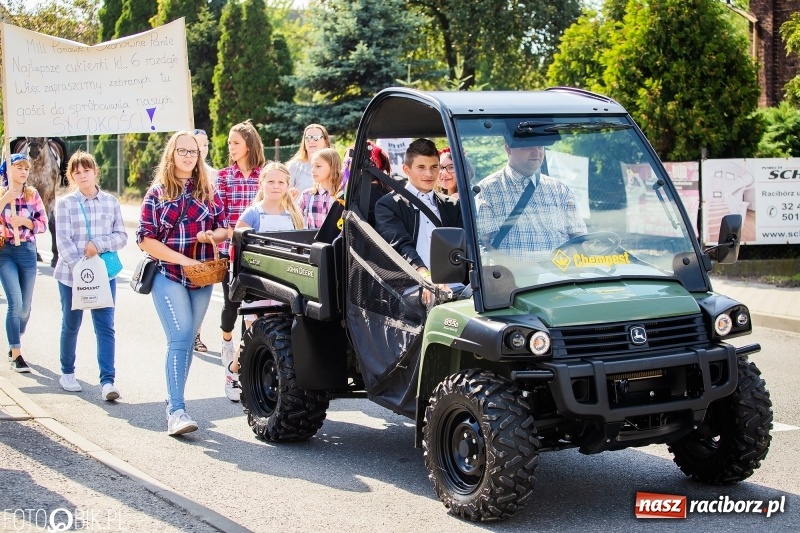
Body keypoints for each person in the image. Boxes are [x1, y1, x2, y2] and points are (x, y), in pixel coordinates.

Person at [136, 131, 228, 436]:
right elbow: (146, 239)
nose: (188, 156)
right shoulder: (158, 193)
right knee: (180, 336)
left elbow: (223, 228)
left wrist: (211, 236)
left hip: (203, 277)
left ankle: (174, 399)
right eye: (182, 151)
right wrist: (185, 261)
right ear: (171, 154)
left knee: (188, 339)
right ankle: (176, 410)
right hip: (169, 274)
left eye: (193, 152)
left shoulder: (207, 190)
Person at [226, 162, 305, 398]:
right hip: (259, 285)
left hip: (284, 284)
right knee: (254, 335)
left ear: (288, 185)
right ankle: (234, 370)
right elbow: (239, 249)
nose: (276, 186)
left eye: (281, 182)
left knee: (279, 335)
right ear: (262, 184)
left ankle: (276, 380)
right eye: (270, 181)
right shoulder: (252, 213)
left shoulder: (294, 215)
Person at [53, 151, 127, 400]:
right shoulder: (65, 204)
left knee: (105, 326)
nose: (82, 175)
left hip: (104, 276)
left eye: (87, 170)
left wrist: (99, 243)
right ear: (71, 176)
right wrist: (82, 269)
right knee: (71, 324)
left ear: (95, 171)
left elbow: (121, 236)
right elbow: (62, 242)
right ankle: (67, 372)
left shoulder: (111, 202)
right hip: (71, 276)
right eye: (77, 172)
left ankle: (108, 381)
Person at [475, 125, 587, 263]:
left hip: (560, 279)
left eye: (540, 146)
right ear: (508, 148)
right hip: (512, 280)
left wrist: (565, 266)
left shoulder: (560, 190)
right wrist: (520, 269)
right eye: (528, 146)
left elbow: (579, 238)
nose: (536, 151)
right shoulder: (487, 190)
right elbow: (482, 245)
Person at [374, 139, 462, 304]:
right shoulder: (389, 204)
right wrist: (424, 276)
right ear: (406, 169)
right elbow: (400, 245)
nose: (429, 174)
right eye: (421, 167)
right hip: (412, 286)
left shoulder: (452, 205)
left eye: (434, 167)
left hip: (457, 286)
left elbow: (468, 244)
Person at [214, 120, 264, 401]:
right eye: (230, 143)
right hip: (230, 251)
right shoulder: (223, 176)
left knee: (254, 312)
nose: (231, 147)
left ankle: (239, 371)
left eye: (235, 142)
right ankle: (226, 340)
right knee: (231, 306)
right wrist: (230, 233)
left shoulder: (262, 175)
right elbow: (220, 213)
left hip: (257, 253)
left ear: (249, 145)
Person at [0, 154, 47, 373]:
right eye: (19, 167)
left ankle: (15, 334)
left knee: (25, 309)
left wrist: (25, 221)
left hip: (27, 250)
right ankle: (16, 352)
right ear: (7, 170)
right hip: (5, 252)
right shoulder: (2, 194)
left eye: (26, 168)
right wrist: (4, 198)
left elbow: (43, 224)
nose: (24, 171)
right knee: (15, 302)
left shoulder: (33, 194)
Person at [192, 128, 216, 354]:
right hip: (187, 242)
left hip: (206, 242)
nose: (202, 149)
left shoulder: (212, 174)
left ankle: (195, 334)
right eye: (197, 144)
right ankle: (190, 334)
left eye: (205, 144)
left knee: (202, 289)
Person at [299, 148, 342, 230]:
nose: (312, 170)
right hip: (312, 242)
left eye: (318, 166)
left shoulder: (343, 195)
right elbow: (295, 220)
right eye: (312, 166)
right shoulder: (307, 194)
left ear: (333, 167)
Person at [287, 124, 331, 199]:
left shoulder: (332, 166)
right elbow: (284, 194)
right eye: (307, 138)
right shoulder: (294, 166)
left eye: (316, 138)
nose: (311, 141)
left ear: (325, 141)